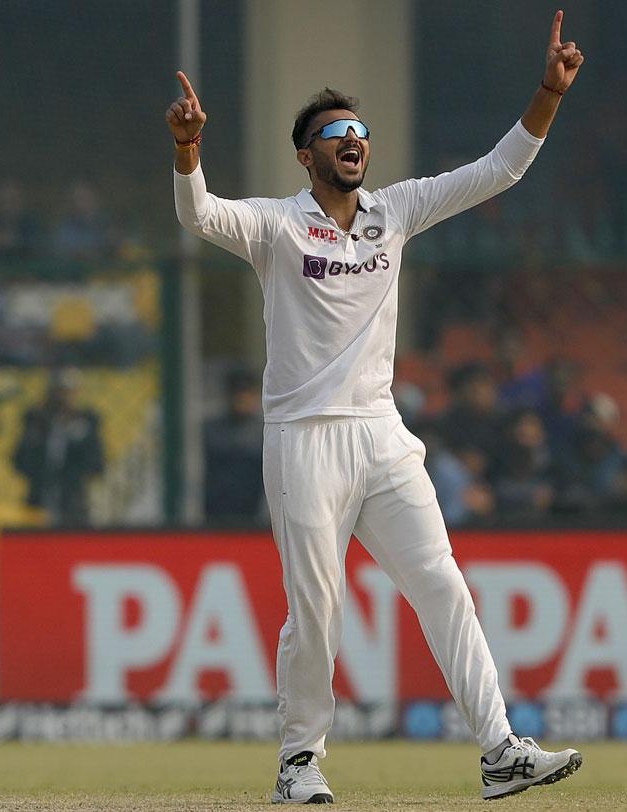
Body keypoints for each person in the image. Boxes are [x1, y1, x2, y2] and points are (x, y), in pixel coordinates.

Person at [167, 12, 584, 803]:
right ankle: (300, 761)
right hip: (303, 441)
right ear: (307, 155)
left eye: (359, 130)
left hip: (382, 435)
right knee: (317, 608)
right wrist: (188, 151)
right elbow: (199, 216)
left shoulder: (398, 210)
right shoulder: (277, 227)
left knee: (442, 584)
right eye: (335, 133)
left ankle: (498, 747)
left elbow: (500, 170)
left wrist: (547, 94)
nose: (353, 139)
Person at [12, 369, 105, 525]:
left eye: (68, 392)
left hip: (73, 500)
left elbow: (96, 462)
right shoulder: (35, 421)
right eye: (59, 391)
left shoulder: (86, 422)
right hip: (39, 496)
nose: (64, 397)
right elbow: (21, 459)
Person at [203, 368, 266, 522]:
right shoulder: (212, 429)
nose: (243, 400)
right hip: (216, 516)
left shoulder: (262, 431)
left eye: (248, 394)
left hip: (254, 516)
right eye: (239, 395)